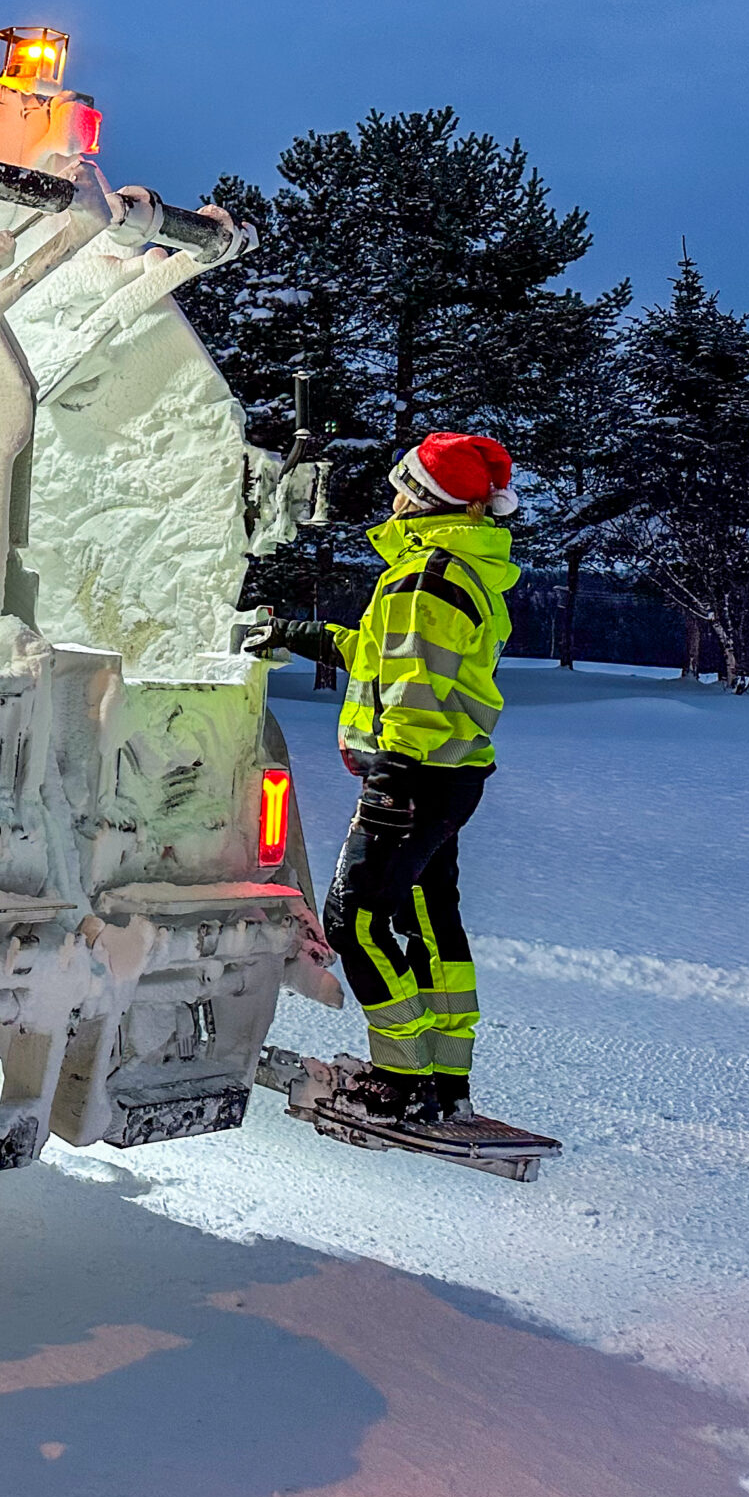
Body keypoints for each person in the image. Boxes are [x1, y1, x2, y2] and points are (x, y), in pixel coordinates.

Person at [248, 432, 520, 1126]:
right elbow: (387, 656)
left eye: (403, 487)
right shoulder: (457, 568)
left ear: (422, 498)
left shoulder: (420, 577)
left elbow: (414, 687)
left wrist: (390, 781)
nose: (392, 498)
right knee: (429, 916)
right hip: (452, 776)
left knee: (354, 919)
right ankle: (446, 1078)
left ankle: (398, 1078)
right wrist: (303, 635)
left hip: (414, 775)